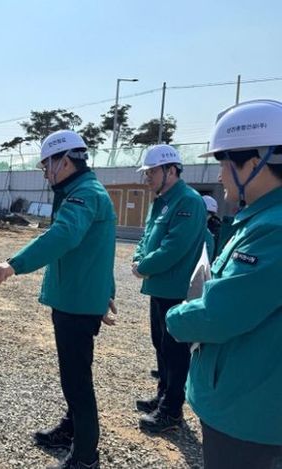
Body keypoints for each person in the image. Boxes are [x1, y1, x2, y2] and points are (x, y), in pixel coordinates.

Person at [0, 130, 117, 469]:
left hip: (77, 303)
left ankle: (86, 456)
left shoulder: (84, 193)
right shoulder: (79, 191)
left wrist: (14, 263)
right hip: (77, 297)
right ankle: (71, 430)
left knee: (77, 381)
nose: (44, 173)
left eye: (46, 166)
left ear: (65, 161)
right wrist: (107, 291)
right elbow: (100, 248)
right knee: (74, 375)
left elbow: (63, 235)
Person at [166, 99, 282, 469]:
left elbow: (220, 314)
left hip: (250, 411)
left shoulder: (273, 228)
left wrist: (176, 317)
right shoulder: (261, 218)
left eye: (223, 163)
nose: (219, 176)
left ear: (256, 162)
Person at [131, 144, 206, 433]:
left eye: (152, 171)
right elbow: (147, 237)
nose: (147, 177)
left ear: (171, 170)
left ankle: (172, 410)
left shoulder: (188, 201)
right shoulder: (161, 201)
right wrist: (139, 258)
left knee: (175, 350)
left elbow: (174, 247)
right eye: (147, 172)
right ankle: (163, 394)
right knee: (160, 343)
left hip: (176, 288)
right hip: (159, 286)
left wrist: (144, 266)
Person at [202, 194, 221, 260]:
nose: (208, 216)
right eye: (207, 212)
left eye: (211, 214)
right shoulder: (191, 223)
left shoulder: (217, 228)